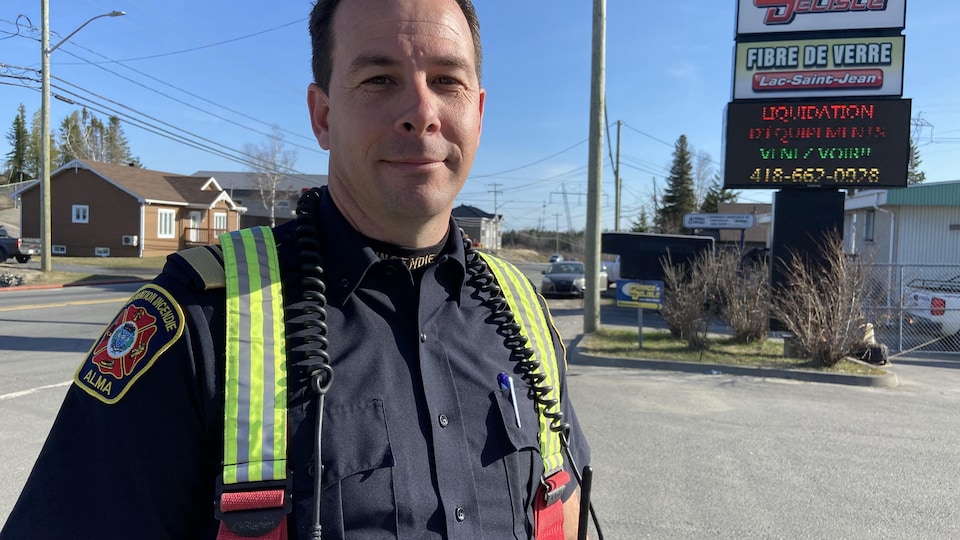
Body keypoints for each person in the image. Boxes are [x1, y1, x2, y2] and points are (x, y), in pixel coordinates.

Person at [0, 0, 592, 538]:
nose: (421, 112)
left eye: (447, 81)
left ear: (478, 112)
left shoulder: (525, 316)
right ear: (323, 114)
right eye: (379, 79)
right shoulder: (199, 320)